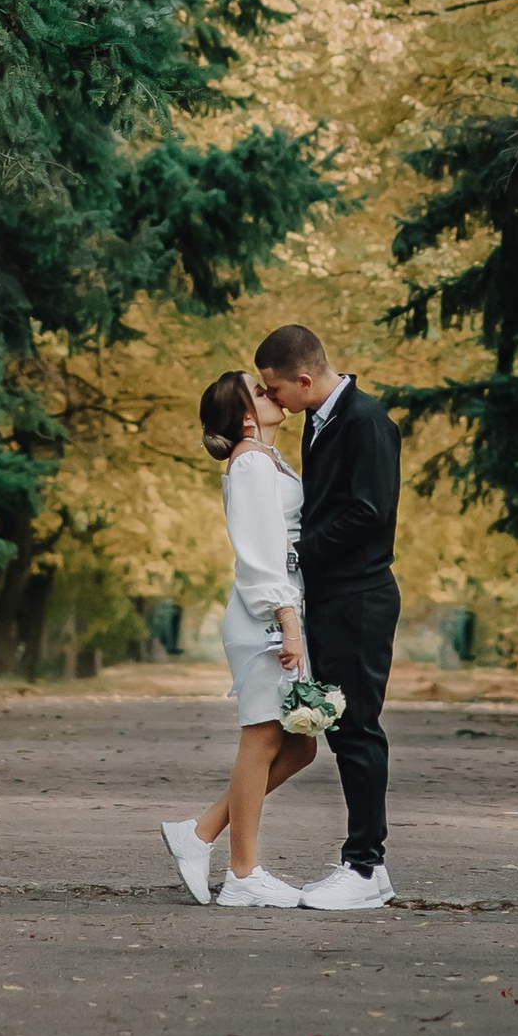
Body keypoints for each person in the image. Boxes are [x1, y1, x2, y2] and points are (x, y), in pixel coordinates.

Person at [160, 366, 318, 910]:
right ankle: (243, 873)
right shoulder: (249, 462)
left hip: (281, 610)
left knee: (300, 745)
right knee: (263, 738)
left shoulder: (268, 458)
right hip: (265, 617)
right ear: (246, 416)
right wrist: (287, 622)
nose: (271, 393)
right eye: (258, 390)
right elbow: (258, 553)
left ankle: (200, 832)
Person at [255, 320, 399, 909]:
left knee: (357, 728)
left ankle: (365, 868)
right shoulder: (322, 420)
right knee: (343, 729)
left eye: (275, 388)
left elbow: (369, 511)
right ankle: (366, 867)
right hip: (335, 596)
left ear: (304, 379)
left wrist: (297, 552)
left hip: (360, 598)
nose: (272, 400)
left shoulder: (366, 421)